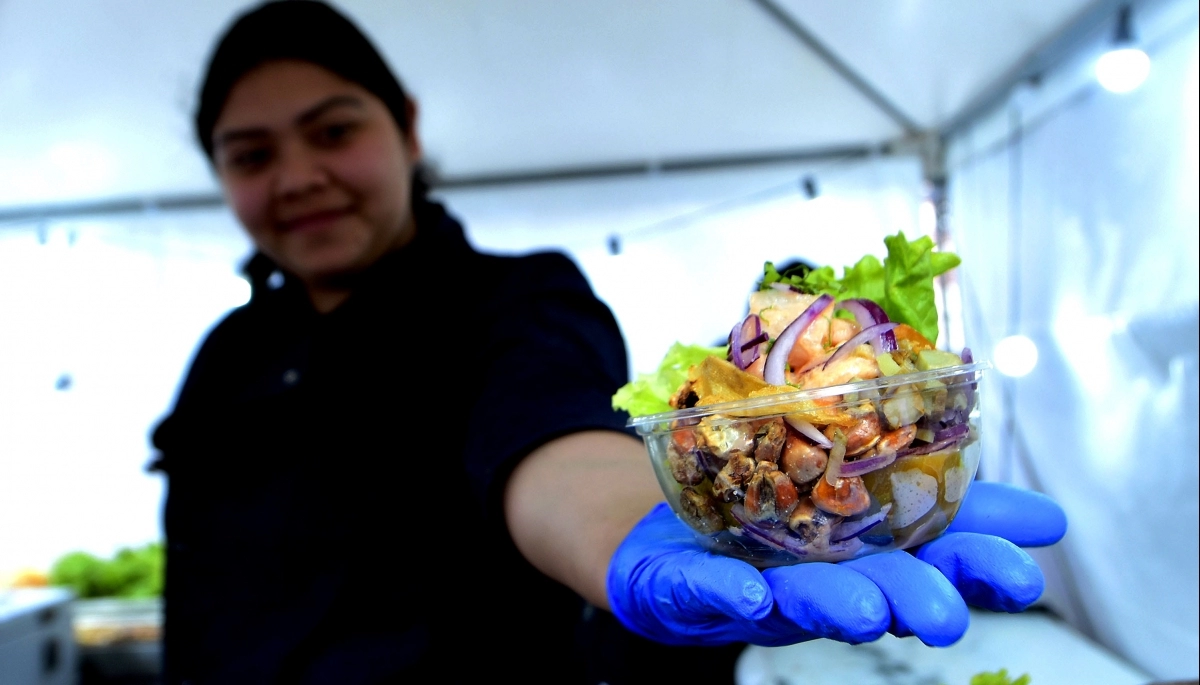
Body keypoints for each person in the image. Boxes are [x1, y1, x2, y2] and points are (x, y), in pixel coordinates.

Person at [149, 2, 1067, 683]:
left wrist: (625, 528)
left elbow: (547, 430)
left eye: (334, 130)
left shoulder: (513, 298)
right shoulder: (227, 349)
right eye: (252, 154)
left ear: (407, 128)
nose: (299, 177)